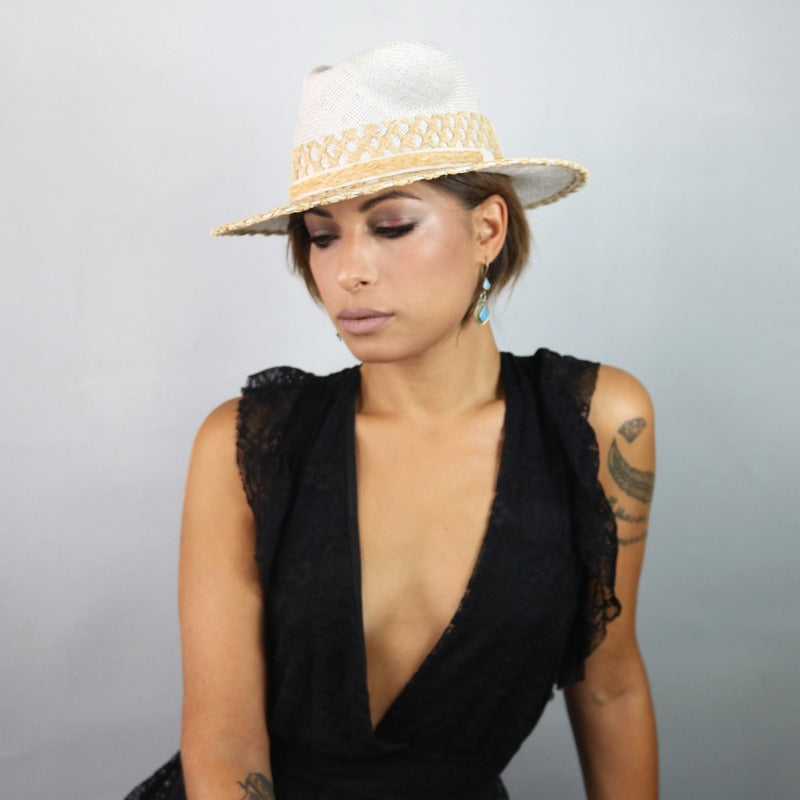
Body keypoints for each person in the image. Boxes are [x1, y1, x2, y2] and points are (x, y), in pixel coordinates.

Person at [126, 41, 657, 800]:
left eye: (393, 226)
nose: (349, 271)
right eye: (322, 236)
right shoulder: (247, 445)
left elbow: (609, 684)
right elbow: (223, 737)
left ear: (488, 230)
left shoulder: (596, 421)